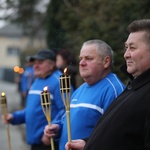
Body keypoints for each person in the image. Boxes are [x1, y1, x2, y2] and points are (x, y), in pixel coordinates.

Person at [65, 19, 150, 150]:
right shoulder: (135, 87)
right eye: (126, 48)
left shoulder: (118, 89)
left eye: (132, 48)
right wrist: (88, 143)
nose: (126, 54)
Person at [43, 39, 125, 150]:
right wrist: (57, 127)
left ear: (106, 62)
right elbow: (67, 119)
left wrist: (88, 145)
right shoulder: (80, 89)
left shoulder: (114, 90)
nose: (81, 63)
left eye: (88, 58)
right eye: (81, 58)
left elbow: (115, 135)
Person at [2, 49, 65, 150]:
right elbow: (31, 110)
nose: (35, 66)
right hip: (35, 141)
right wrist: (14, 117)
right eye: (34, 63)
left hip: (49, 142)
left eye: (40, 63)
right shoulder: (37, 80)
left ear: (51, 64)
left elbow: (66, 110)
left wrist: (51, 131)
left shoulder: (59, 81)